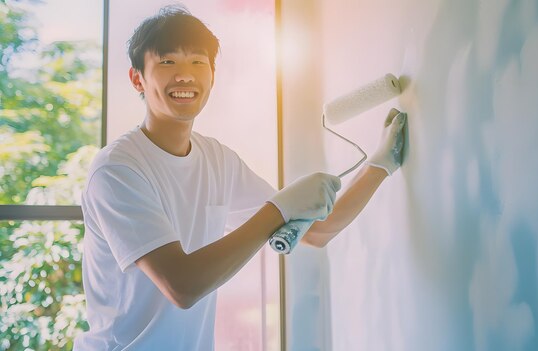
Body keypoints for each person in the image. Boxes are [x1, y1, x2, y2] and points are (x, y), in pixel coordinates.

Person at [74, 5, 406, 351]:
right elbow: (182, 286)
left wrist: (381, 164)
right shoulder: (117, 170)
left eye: (198, 62)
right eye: (168, 62)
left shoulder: (217, 160)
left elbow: (318, 229)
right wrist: (278, 209)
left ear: (212, 76)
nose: (185, 76)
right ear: (137, 78)